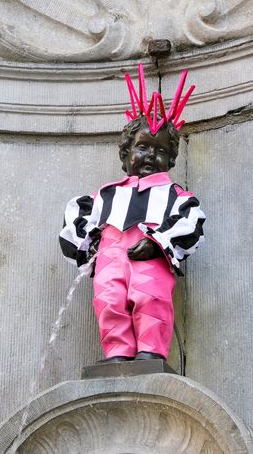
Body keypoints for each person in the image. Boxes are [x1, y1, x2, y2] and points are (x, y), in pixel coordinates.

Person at [59, 65, 205, 363]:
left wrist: (159, 241)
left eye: (160, 150)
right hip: (111, 253)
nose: (151, 155)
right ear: (125, 154)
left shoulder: (175, 196)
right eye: (143, 147)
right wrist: (93, 243)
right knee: (108, 299)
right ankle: (118, 351)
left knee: (150, 297)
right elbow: (76, 220)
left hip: (151, 253)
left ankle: (151, 351)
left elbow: (191, 222)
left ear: (171, 159)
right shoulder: (106, 195)